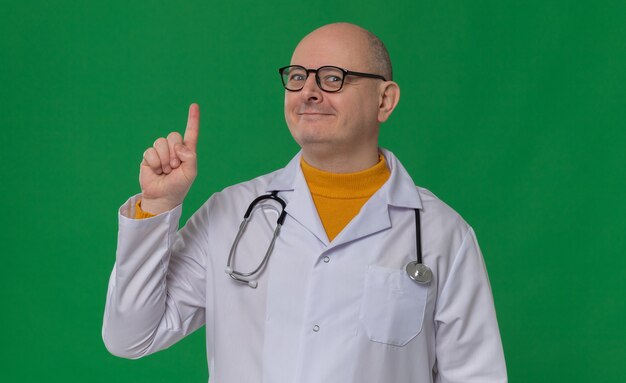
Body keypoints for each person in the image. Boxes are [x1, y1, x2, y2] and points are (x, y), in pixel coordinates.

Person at [103, 22, 507, 383]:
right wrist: (157, 207)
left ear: (385, 100)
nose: (308, 92)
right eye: (297, 77)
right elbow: (131, 336)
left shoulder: (442, 234)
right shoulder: (233, 212)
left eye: (333, 78)